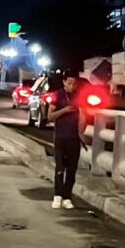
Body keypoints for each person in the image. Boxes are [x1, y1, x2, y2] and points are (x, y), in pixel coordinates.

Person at [47, 70, 86, 209]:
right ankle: (57, 195)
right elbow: (50, 117)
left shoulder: (79, 96)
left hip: (74, 138)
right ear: (64, 82)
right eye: (69, 83)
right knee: (60, 167)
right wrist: (64, 110)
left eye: (74, 83)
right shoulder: (57, 95)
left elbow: (83, 121)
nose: (72, 86)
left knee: (72, 169)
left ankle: (67, 196)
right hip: (60, 137)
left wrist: (83, 117)